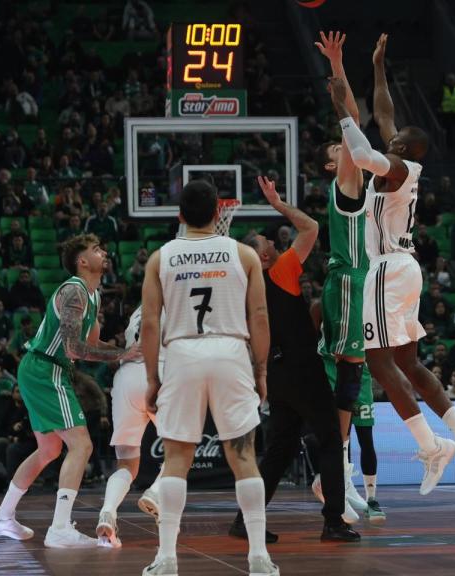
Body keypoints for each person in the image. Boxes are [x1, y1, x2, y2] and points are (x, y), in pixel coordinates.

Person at [331, 35, 455, 495]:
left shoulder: (398, 168)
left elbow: (360, 154)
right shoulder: (401, 162)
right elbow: (384, 114)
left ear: (407, 150)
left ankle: (431, 444)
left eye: (397, 140)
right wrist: (379, 66)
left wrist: (342, 105)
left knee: (377, 363)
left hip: (387, 269)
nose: (391, 136)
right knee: (408, 363)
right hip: (403, 267)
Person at [141, 180, 278, 575]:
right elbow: (260, 317)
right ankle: (259, 557)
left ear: (180, 215)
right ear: (220, 213)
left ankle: (167, 558)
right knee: (244, 457)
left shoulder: (160, 257)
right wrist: (262, 368)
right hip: (231, 352)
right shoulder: (245, 254)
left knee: (176, 459)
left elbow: (150, 324)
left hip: (182, 353)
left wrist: (153, 377)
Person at [0, 234, 136, 548]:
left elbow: (92, 345)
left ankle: (2, 517)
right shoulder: (74, 291)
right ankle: (60, 528)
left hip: (45, 369)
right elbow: (73, 348)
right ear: (82, 261)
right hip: (45, 369)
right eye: (96, 249)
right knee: (81, 445)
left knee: (49, 450)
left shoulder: (93, 296)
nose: (104, 251)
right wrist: (121, 355)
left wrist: (130, 349)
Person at [230, 175, 359, 544]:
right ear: (265, 256)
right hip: (302, 370)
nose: (273, 240)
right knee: (332, 439)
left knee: (279, 449)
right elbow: (311, 227)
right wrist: (278, 204)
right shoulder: (280, 271)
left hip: (276, 374)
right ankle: (334, 520)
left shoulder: (245, 289)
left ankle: (245, 518)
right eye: (267, 241)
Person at [310, 30, 377, 519]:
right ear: (334, 164)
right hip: (349, 284)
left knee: (348, 387)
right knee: (345, 381)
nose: (345, 148)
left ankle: (341, 475)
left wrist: (342, 67)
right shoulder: (347, 180)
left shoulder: (353, 177)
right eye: (339, 149)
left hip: (354, 283)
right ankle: (331, 475)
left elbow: (358, 125)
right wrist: (338, 69)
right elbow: (353, 120)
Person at [94, 306, 164, 548]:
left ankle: (108, 512)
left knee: (127, 463)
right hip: (159, 372)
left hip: (126, 378)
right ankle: (156, 492)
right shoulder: (178, 297)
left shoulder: (138, 310)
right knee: (182, 449)